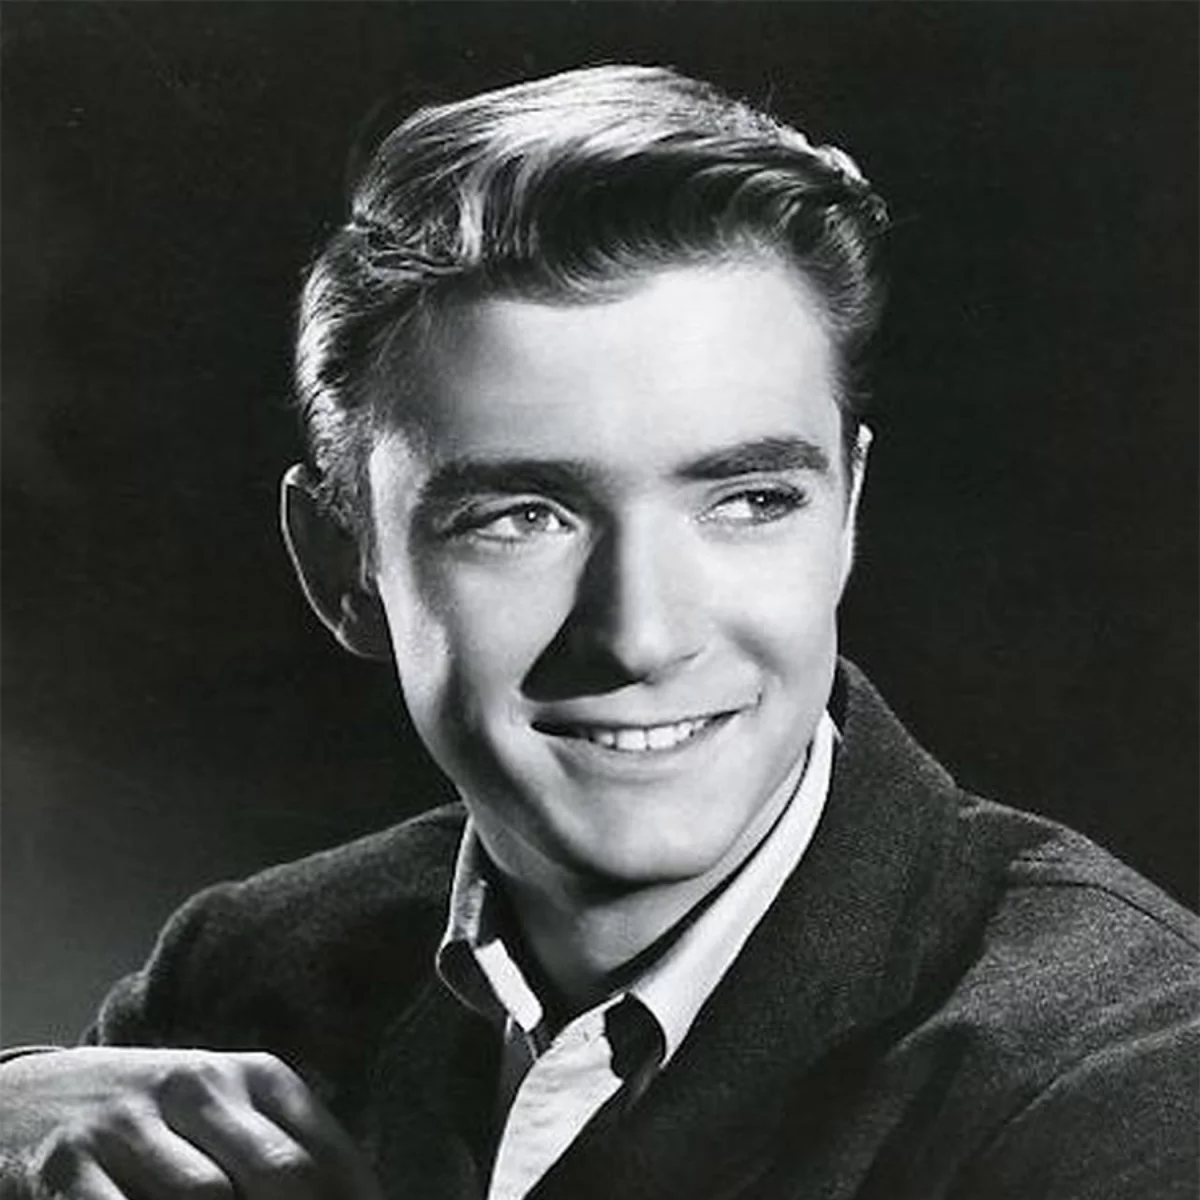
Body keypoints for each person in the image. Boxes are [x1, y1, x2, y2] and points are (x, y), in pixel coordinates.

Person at [1, 64, 1196, 1200]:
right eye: (521, 516)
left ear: (846, 513)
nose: (642, 637)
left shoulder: (1122, 1077)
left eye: (749, 500)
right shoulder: (249, 975)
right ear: (343, 566)